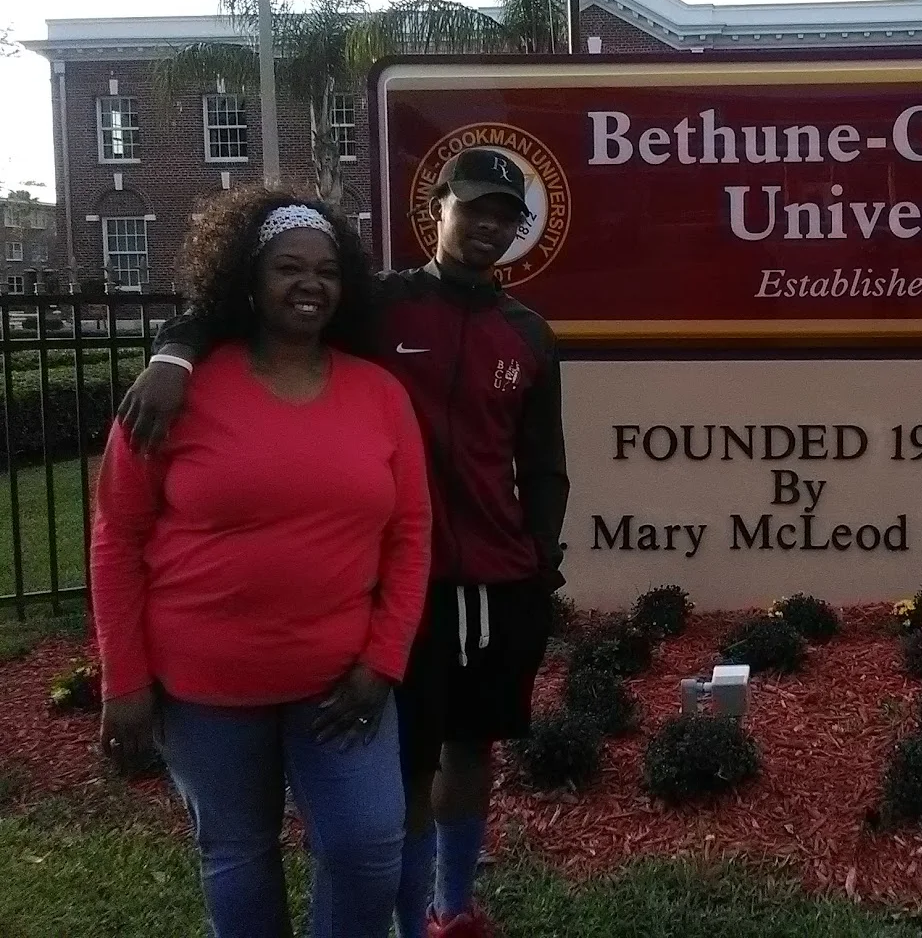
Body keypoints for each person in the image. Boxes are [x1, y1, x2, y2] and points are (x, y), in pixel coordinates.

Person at [118, 148, 569, 938]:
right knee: (408, 767)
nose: (488, 227)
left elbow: (543, 463)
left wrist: (540, 560)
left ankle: (453, 909)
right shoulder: (380, 305)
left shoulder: (527, 333)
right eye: (474, 208)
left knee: (473, 749)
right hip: (399, 585)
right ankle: (409, 920)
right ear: (439, 208)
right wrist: (173, 350)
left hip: (495, 579)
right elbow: (244, 305)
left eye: (505, 216)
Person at [93, 190, 432, 938]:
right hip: (204, 686)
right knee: (238, 852)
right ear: (248, 278)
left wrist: (383, 661)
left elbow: (411, 537)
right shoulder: (173, 394)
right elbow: (117, 536)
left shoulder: (379, 394)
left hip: (340, 683)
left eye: (327, 271)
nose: (310, 284)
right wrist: (125, 678)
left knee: (368, 847)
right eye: (288, 268)